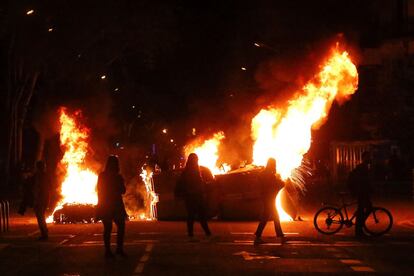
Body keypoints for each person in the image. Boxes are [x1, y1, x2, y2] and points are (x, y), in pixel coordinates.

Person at [96, 155, 127, 258]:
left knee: (107, 228)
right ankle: (119, 248)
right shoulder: (118, 176)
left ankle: (108, 251)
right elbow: (123, 190)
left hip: (105, 204)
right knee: (121, 226)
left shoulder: (102, 176)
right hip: (115, 204)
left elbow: (99, 190)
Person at [175, 153, 211, 241]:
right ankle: (205, 233)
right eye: (196, 160)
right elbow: (193, 183)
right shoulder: (192, 171)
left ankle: (194, 233)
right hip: (194, 196)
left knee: (193, 215)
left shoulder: (188, 171)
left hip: (192, 196)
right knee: (198, 215)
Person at [254, 158, 284, 245]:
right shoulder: (269, 175)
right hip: (269, 198)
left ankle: (278, 234)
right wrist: (282, 183)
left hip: (266, 197)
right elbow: (276, 184)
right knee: (270, 216)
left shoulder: (263, 173)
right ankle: (258, 236)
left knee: (269, 216)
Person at [347, 151, 373, 238]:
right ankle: (359, 230)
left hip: (362, 192)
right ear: (364, 158)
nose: (370, 158)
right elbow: (364, 182)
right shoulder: (362, 167)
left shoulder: (364, 167)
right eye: (368, 157)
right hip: (361, 193)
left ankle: (360, 228)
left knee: (363, 210)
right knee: (364, 210)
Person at [32, 160, 50, 241]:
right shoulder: (45, 176)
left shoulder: (39, 176)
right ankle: (44, 231)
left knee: (40, 217)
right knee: (41, 216)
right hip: (44, 199)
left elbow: (38, 189)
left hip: (40, 199)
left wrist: (36, 199)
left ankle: (44, 233)